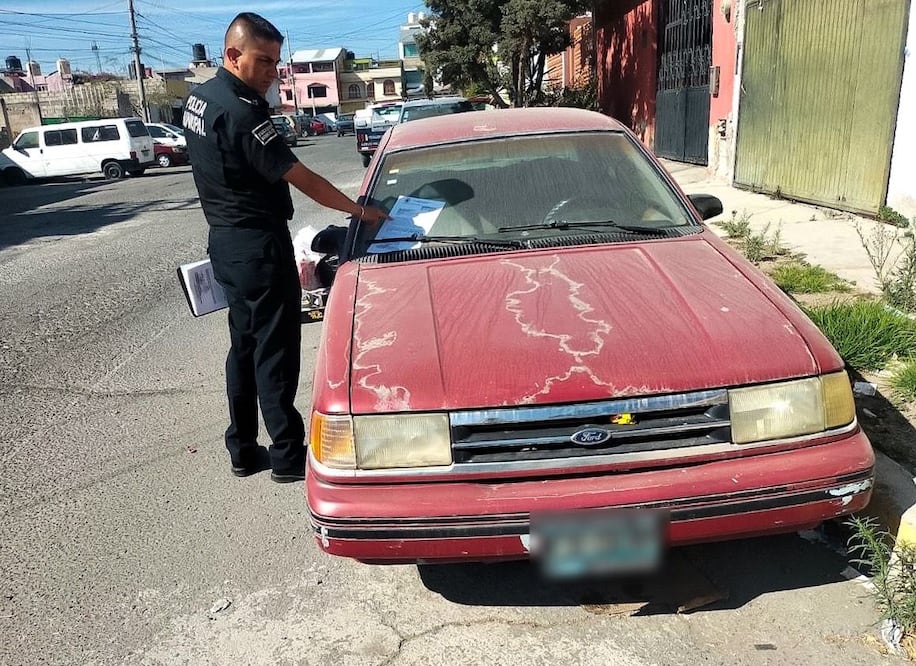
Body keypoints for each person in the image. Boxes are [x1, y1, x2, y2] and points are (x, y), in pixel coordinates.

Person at [183, 12, 387, 483]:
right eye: (263, 61)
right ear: (232, 54)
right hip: (258, 244)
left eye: (276, 62)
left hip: (226, 244)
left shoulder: (199, 98)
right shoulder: (242, 110)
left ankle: (242, 448)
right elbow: (302, 178)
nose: (272, 71)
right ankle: (289, 454)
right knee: (274, 351)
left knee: (244, 348)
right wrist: (360, 211)